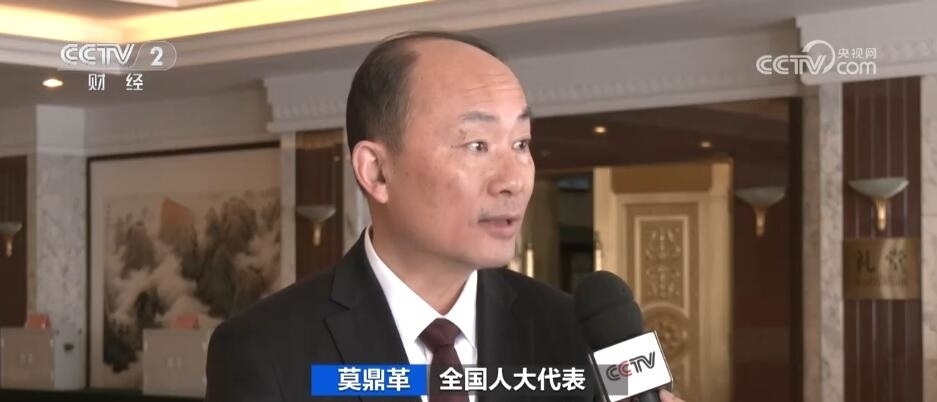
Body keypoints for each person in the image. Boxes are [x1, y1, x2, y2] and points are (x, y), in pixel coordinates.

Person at [205, 31, 685, 402]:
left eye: (521, 143)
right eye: (476, 145)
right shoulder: (262, 351)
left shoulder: (584, 334)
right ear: (377, 171)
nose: (514, 180)